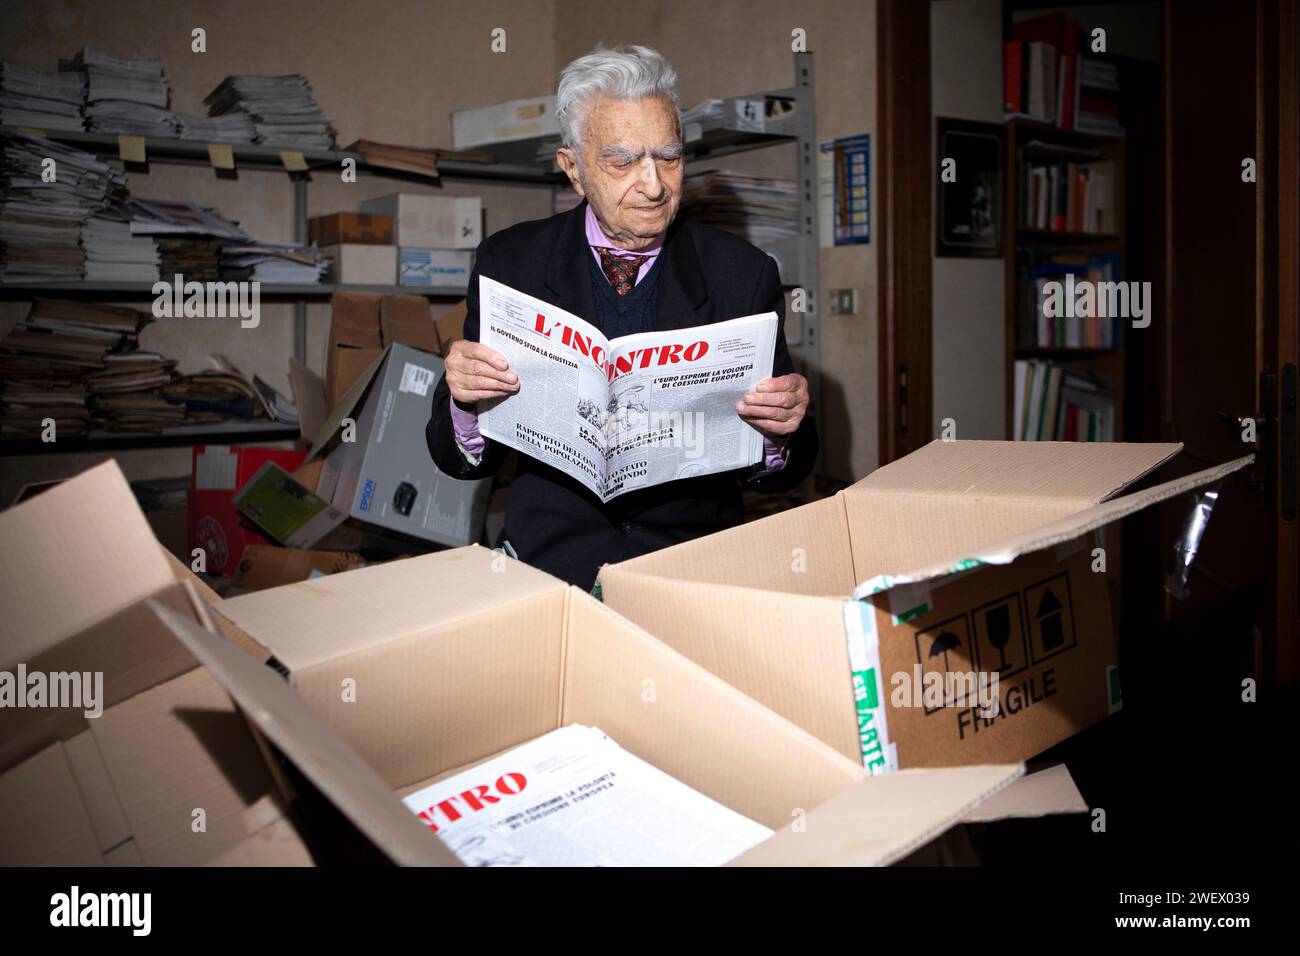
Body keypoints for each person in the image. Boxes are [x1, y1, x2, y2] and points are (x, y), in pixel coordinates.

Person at [426, 44, 817, 591]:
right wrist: (465, 401)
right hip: (549, 569)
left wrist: (781, 431)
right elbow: (463, 460)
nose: (654, 185)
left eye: (669, 157)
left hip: (691, 575)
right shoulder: (509, 263)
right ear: (574, 169)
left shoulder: (741, 273)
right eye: (622, 161)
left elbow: (787, 467)